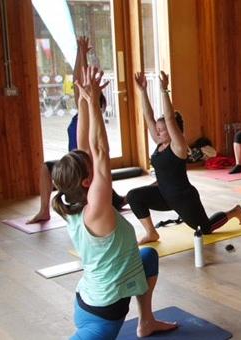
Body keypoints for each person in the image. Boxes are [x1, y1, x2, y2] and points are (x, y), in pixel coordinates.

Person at [52, 65, 176, 339]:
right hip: (102, 316)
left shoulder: (73, 200)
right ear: (87, 181)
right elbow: (99, 149)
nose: (90, 159)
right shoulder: (96, 209)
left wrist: (85, 101)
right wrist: (96, 104)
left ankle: (146, 321)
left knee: (148, 256)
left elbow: (85, 145)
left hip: (88, 299)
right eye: (90, 167)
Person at [128, 71, 241, 244]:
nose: (158, 132)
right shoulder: (160, 143)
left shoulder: (178, 147)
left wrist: (164, 90)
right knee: (133, 196)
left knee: (204, 229)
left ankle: (235, 211)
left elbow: (169, 118)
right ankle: (151, 233)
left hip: (184, 198)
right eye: (158, 129)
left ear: (173, 130)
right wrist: (142, 91)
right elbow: (148, 118)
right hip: (164, 195)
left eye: (163, 129)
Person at [28, 36, 125, 224]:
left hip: (84, 169)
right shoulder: (80, 114)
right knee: (46, 168)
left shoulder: (89, 121)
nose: (82, 95)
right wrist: (80, 54)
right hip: (74, 166)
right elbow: (78, 79)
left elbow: (89, 149)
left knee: (118, 201)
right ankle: (43, 210)